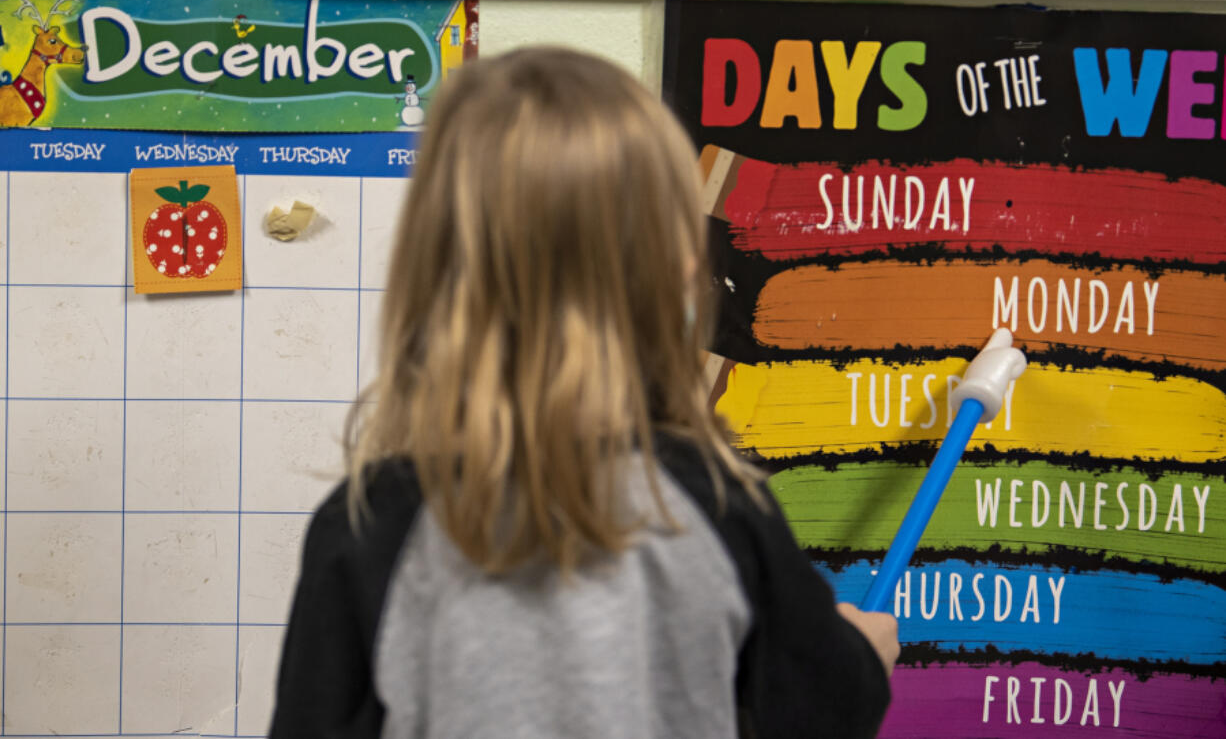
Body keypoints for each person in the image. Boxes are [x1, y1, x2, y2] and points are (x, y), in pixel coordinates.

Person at [269, 46, 897, 739]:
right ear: (680, 269)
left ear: (431, 270)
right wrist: (865, 655)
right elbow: (826, 712)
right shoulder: (718, 506)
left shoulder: (367, 524)